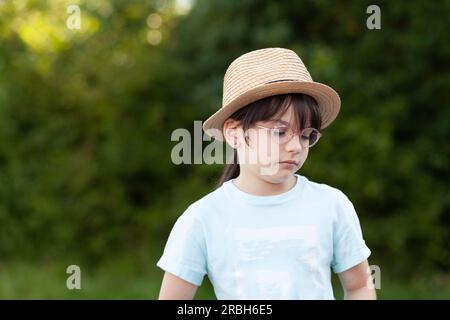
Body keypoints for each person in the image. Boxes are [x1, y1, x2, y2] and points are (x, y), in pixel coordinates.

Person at [157, 47, 376, 300]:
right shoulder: (203, 218)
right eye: (279, 132)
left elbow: (360, 285)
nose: (296, 146)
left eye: (306, 135)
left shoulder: (332, 205)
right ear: (234, 133)